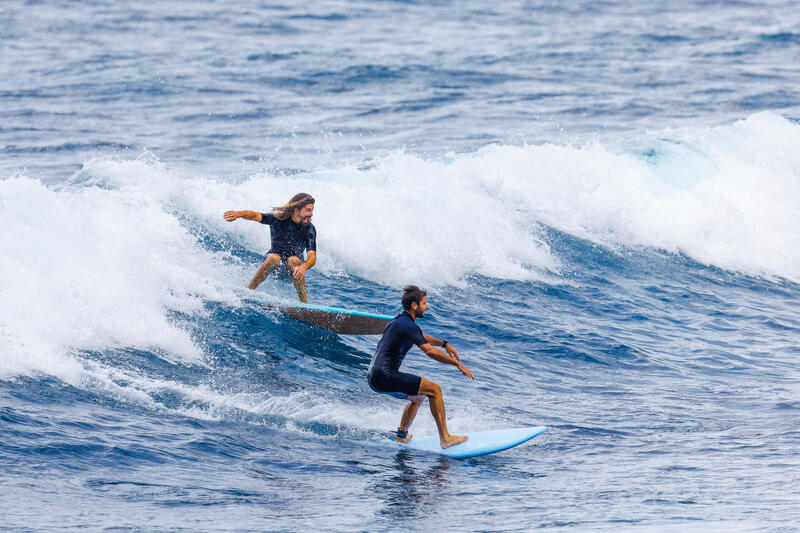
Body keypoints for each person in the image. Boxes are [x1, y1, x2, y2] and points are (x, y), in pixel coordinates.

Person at [368, 285, 475, 449]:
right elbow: (428, 350)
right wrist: (457, 364)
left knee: (418, 397)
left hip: (375, 376)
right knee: (435, 390)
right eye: (424, 303)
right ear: (414, 305)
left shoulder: (400, 321)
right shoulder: (406, 324)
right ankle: (445, 438)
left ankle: (402, 436)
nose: (427, 306)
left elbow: (420, 336)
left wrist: (444, 344)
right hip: (384, 375)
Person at [223, 193, 316, 303]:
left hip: (292, 271)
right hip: (272, 266)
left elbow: (312, 256)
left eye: (312, 210)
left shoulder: (309, 228)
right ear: (296, 210)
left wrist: (303, 267)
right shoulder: (277, 219)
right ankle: (248, 292)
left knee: (294, 260)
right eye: (308, 210)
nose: (311, 214)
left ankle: (304, 304)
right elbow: (255, 215)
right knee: (274, 258)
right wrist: (239, 214)